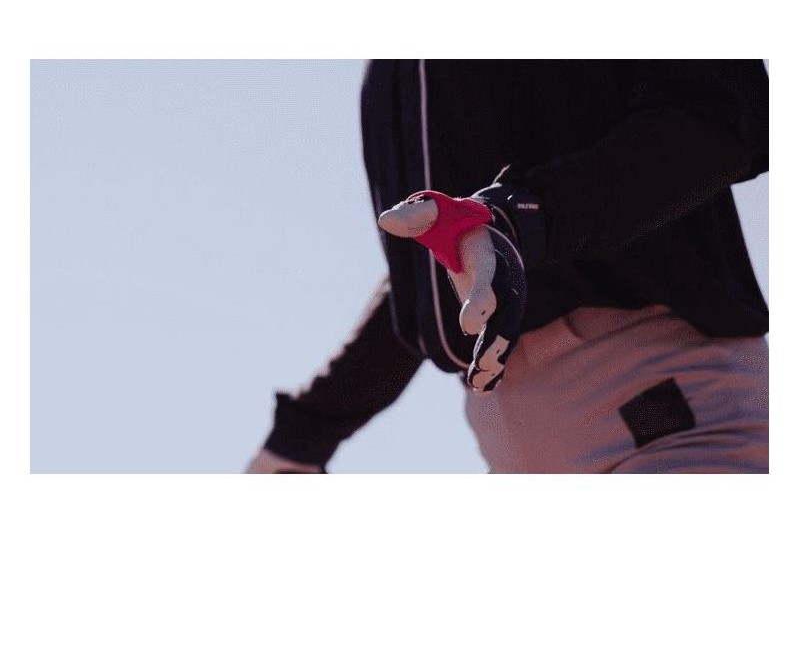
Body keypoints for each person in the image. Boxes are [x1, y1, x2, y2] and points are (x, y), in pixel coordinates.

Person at [246, 60, 769, 474]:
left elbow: (727, 115)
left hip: (668, 414)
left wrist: (525, 217)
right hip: (510, 445)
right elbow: (445, 264)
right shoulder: (395, 66)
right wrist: (305, 434)